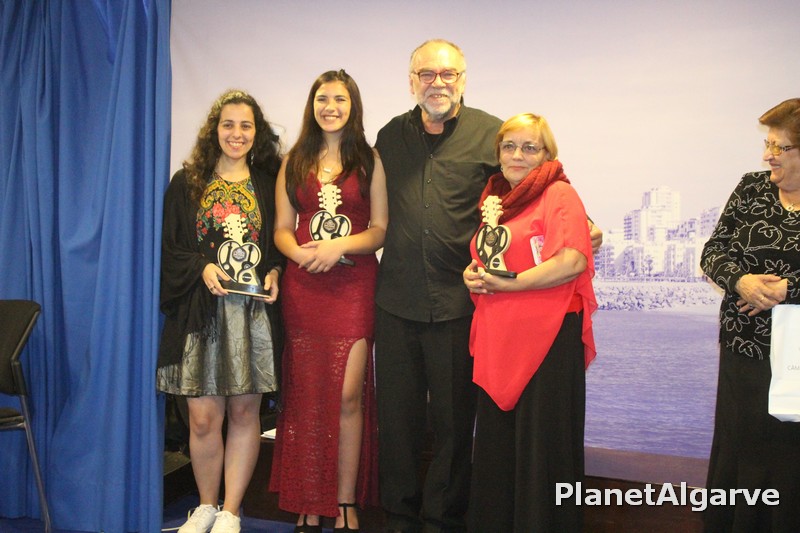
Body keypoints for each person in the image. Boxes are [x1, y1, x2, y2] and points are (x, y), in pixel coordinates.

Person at [374, 39, 603, 533]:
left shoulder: (490, 134)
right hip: (396, 301)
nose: (438, 83)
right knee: (396, 422)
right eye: (427, 74)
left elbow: (535, 187)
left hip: (459, 305)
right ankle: (398, 519)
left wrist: (587, 227)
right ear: (412, 81)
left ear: (463, 79)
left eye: (448, 74)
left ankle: (442, 522)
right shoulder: (389, 136)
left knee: (455, 427)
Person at [156, 89, 284, 533]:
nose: (236, 133)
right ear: (215, 130)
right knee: (203, 419)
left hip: (252, 319)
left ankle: (231, 511)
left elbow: (280, 244)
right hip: (201, 315)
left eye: (246, 125)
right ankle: (206, 506)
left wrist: (275, 272)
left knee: (246, 415)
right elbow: (169, 249)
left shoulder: (269, 182)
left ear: (257, 132)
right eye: (228, 124)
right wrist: (202, 267)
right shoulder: (187, 182)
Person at [462, 113, 597, 532]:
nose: (517, 155)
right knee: (498, 455)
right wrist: (473, 273)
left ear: (546, 154)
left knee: (543, 455)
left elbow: (572, 261)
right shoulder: (496, 199)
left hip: (547, 343)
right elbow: (495, 257)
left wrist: (510, 284)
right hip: (500, 343)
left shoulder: (559, 194)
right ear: (498, 152)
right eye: (509, 146)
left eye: (529, 147)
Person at [269, 69, 388, 533]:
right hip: (304, 289)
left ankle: (343, 500)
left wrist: (340, 246)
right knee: (306, 396)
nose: (330, 107)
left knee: (347, 395)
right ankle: (307, 498)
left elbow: (380, 229)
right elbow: (282, 228)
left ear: (352, 105)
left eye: (340, 99)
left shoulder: (369, 159)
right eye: (323, 99)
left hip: (354, 287)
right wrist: (299, 253)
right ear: (312, 105)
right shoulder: (294, 160)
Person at [700, 98, 800, 532]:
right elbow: (713, 252)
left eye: (779, 147)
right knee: (740, 455)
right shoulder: (751, 188)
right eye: (767, 144)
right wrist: (741, 282)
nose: (767, 156)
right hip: (745, 353)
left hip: (797, 363)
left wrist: (787, 290)